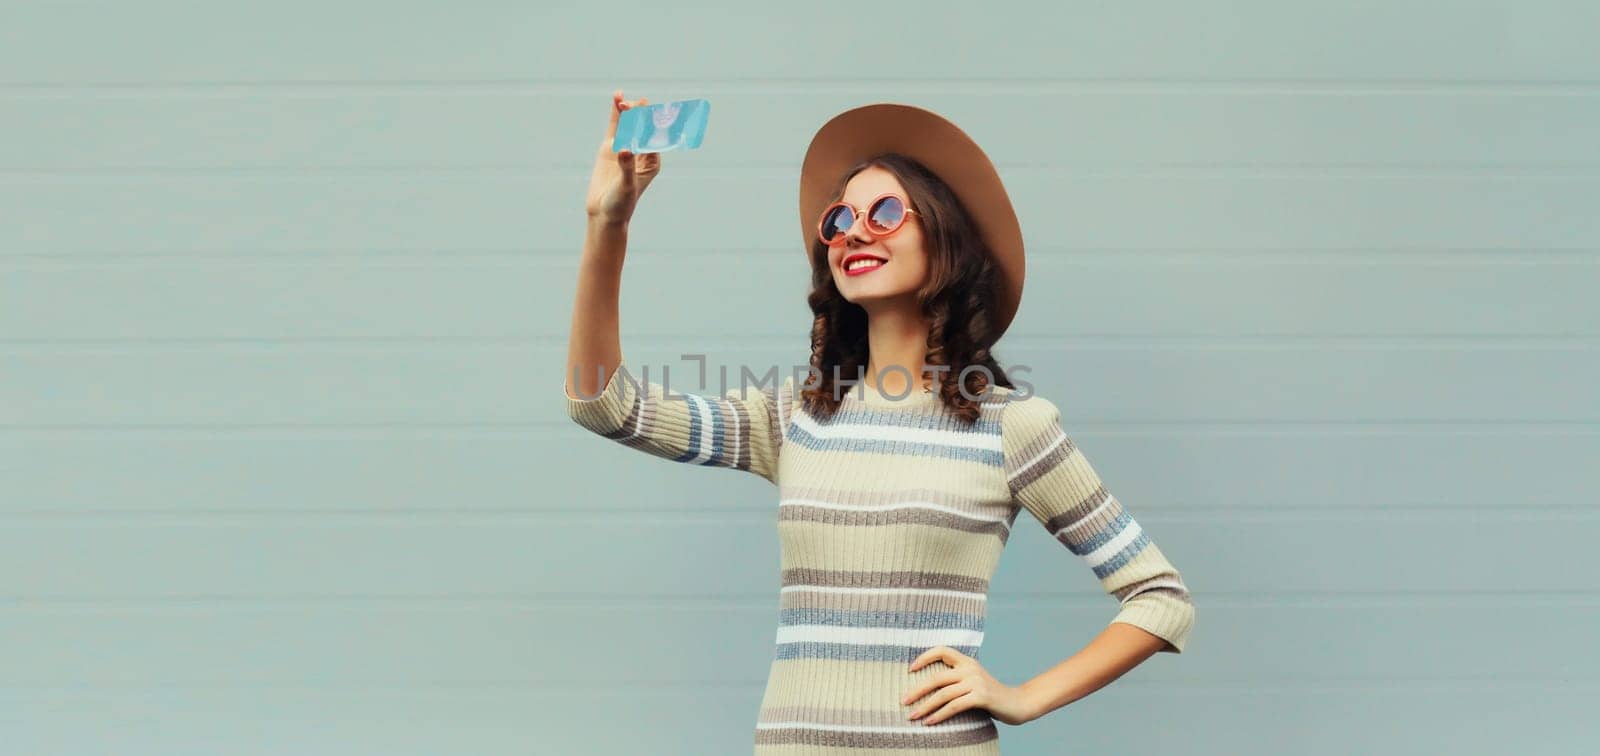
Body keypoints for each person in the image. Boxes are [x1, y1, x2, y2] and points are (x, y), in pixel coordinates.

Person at [563, 90, 1196, 755]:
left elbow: (1161, 598)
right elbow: (603, 404)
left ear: (945, 237)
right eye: (839, 219)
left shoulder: (1012, 426)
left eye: (886, 212)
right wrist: (609, 224)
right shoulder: (792, 415)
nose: (854, 232)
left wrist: (1023, 698)